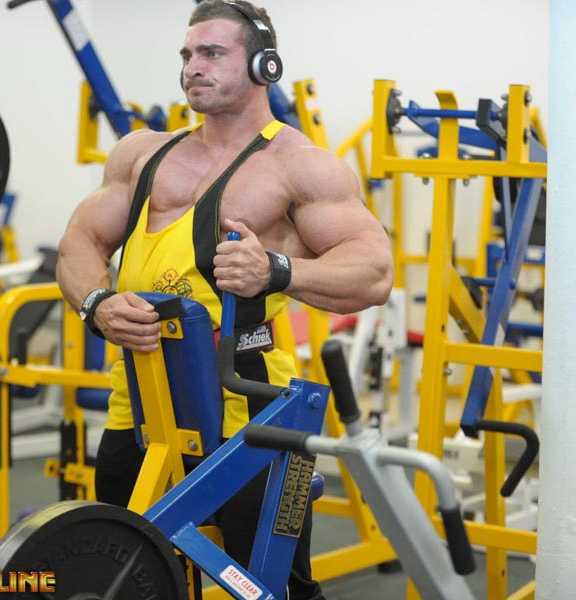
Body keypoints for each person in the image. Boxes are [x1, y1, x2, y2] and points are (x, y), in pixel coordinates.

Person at [56, 1, 393, 598]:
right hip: (139, 405)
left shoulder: (299, 166)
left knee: (271, 587)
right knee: (123, 574)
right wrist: (97, 305)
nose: (193, 67)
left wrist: (277, 270)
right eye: (188, 55)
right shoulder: (141, 154)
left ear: (265, 66)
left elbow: (374, 272)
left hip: (250, 414)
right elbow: (79, 242)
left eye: (212, 53)